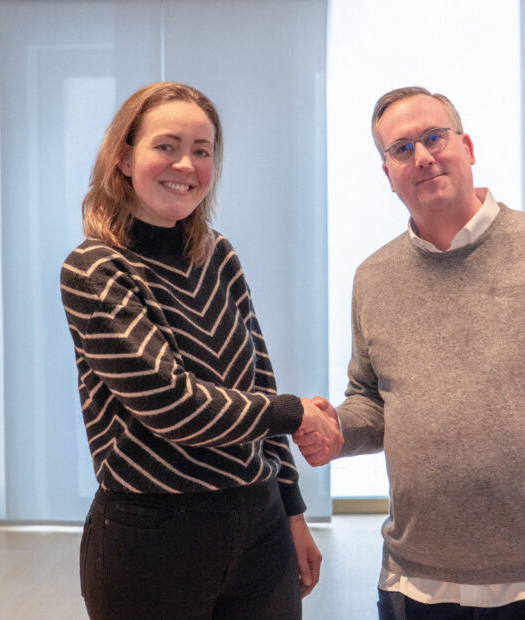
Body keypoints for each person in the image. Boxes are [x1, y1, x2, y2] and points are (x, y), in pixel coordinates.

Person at [295, 86, 525, 620]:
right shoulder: (374, 277)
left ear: (468, 147)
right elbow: (374, 402)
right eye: (402, 148)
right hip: (415, 581)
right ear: (387, 173)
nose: (422, 156)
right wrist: (338, 429)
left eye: (435, 137)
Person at [60, 82, 342, 619]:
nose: (186, 165)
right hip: (152, 539)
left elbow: (259, 382)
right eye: (166, 146)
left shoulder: (219, 256)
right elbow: (172, 405)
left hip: (260, 526)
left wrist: (291, 511)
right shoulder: (95, 269)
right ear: (124, 157)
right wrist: (293, 413)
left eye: (202, 150)